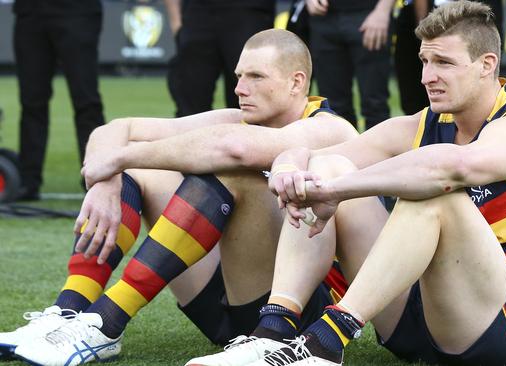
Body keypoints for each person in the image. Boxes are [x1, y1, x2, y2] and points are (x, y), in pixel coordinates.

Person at [209, 2, 506, 365]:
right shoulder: (423, 122)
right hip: (420, 315)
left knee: (434, 195)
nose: (427, 77)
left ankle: (326, 342)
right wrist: (290, 167)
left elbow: (450, 169)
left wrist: (336, 190)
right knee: (330, 165)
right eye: (425, 62)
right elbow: (321, 155)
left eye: (443, 63)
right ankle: (274, 331)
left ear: (487, 65)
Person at [0, 29, 358, 366]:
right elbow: (116, 129)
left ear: (297, 82)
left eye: (255, 77)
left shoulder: (331, 127)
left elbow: (232, 149)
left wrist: (119, 157)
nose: (239, 88)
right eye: (238, 76)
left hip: (295, 316)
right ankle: (69, 311)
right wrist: (108, 178)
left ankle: (106, 321)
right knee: (140, 171)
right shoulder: (241, 119)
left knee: (233, 170)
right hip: (230, 302)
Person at [12, 0, 106, 200]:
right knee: (31, 102)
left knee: (86, 101)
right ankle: (27, 181)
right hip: (31, 12)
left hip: (78, 11)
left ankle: (98, 179)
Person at [164, 0, 275, 115]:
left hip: (250, 10)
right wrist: (175, 21)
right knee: (190, 96)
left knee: (252, 98)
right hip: (197, 12)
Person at [306, 0, 394, 130]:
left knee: (375, 104)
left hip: (369, 13)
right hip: (323, 16)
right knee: (332, 106)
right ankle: (341, 150)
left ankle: (378, 150)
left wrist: (383, 10)